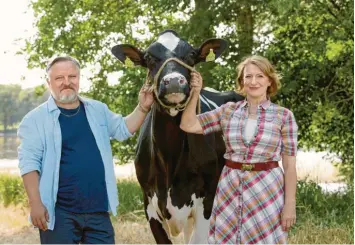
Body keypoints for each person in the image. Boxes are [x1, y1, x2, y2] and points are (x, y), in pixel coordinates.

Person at [17, 56, 153, 244]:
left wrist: (143, 107)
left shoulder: (97, 109)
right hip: (59, 213)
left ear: (79, 78)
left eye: (72, 76)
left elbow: (123, 128)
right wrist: (35, 203)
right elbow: (29, 164)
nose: (67, 82)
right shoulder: (34, 120)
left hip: (97, 210)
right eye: (59, 78)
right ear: (49, 82)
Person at [180, 55, 298, 244]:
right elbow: (188, 124)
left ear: (269, 80)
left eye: (259, 76)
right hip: (230, 188)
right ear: (242, 81)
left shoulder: (284, 116)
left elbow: (290, 166)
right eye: (248, 76)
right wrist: (195, 92)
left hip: (266, 191)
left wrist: (290, 205)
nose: (253, 82)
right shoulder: (228, 111)